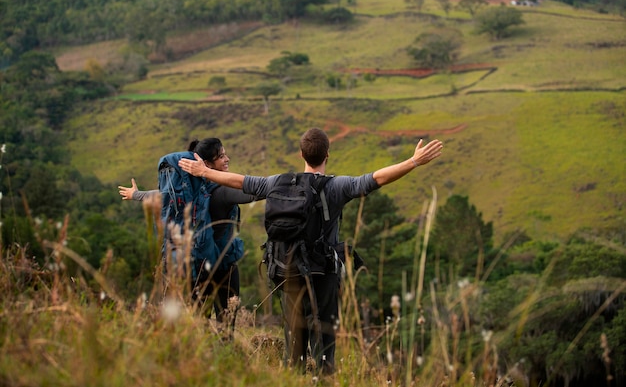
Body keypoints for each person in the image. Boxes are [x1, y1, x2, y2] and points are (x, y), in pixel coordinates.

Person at [177, 127, 443, 374]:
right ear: (327, 154)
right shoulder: (337, 186)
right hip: (322, 272)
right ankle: (324, 375)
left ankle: (293, 374)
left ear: (301, 154)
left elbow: (240, 182)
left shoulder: (276, 183)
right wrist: (414, 161)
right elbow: (374, 179)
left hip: (286, 271)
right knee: (324, 340)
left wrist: (204, 173)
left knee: (294, 342)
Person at [118, 138, 257, 328]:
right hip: (224, 268)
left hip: (197, 267)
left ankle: (200, 357)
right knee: (226, 326)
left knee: (198, 325)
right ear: (205, 164)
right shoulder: (223, 192)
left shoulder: (186, 193)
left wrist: (135, 194)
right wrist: (282, 185)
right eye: (221, 156)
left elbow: (158, 195)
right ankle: (227, 354)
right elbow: (256, 191)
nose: (227, 159)